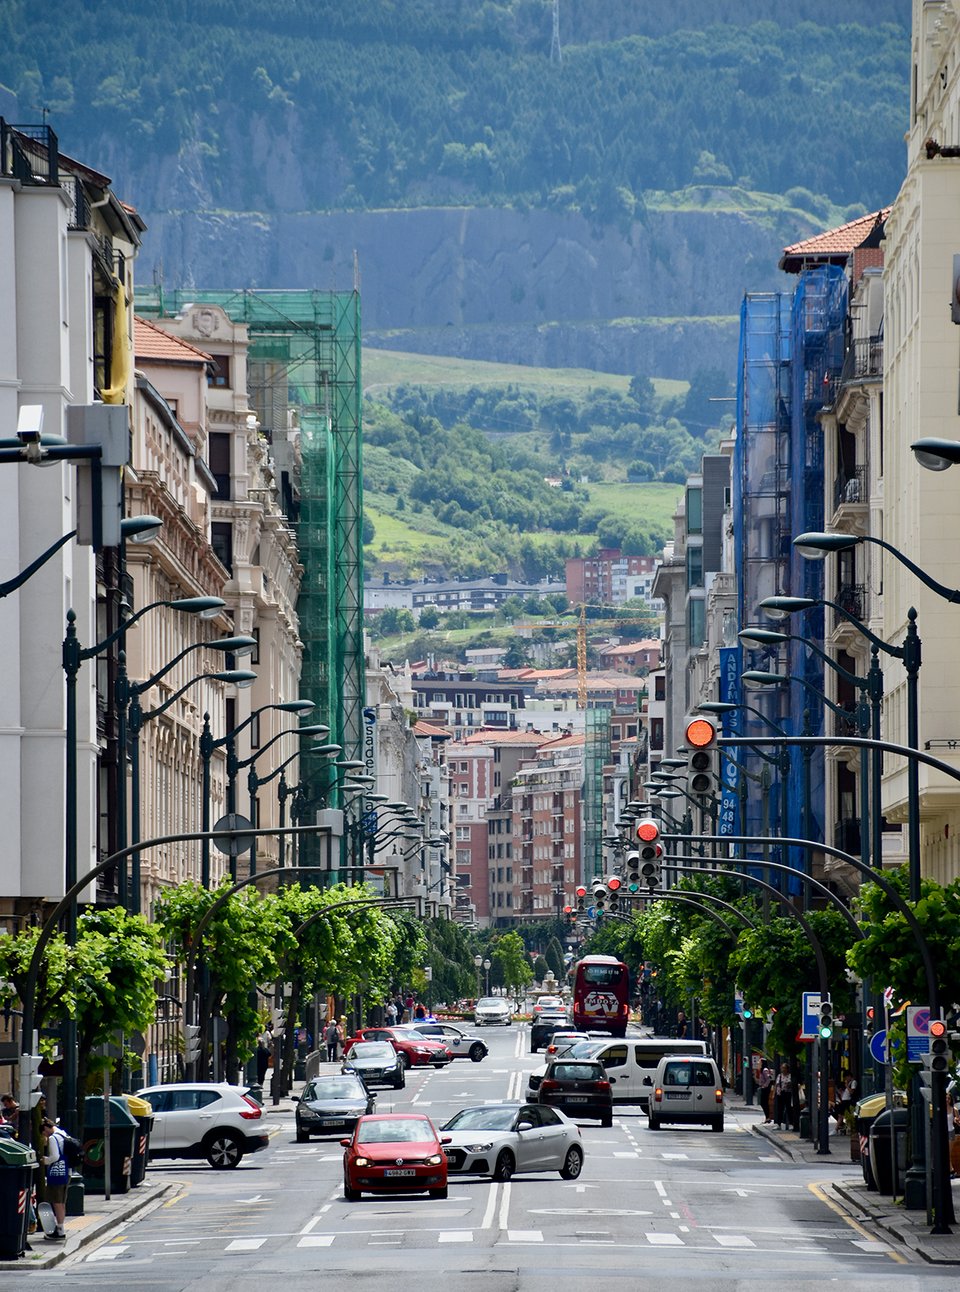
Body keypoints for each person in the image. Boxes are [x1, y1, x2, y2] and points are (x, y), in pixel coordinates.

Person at [40, 1119, 68, 1241]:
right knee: (61, 1202)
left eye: (44, 1133)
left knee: (56, 1202)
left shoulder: (53, 1138)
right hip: (66, 1171)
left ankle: (60, 1230)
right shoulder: (63, 1133)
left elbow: (55, 1156)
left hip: (57, 1172)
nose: (45, 1136)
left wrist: (45, 1160)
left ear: (46, 1128)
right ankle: (61, 1227)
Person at [774, 1063, 793, 1130]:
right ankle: (778, 1124)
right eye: (782, 1068)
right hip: (780, 1094)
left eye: (784, 1068)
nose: (783, 1069)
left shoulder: (790, 1076)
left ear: (787, 1069)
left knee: (789, 1108)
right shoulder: (779, 1076)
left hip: (787, 1093)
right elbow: (776, 1085)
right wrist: (774, 1094)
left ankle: (791, 1123)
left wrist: (789, 1084)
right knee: (779, 1109)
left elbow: (791, 1084)